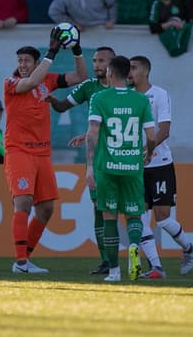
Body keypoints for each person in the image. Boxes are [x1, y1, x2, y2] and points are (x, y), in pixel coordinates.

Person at [4, 24, 88, 273]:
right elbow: (30, 82)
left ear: (36, 61)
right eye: (19, 60)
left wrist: (76, 49)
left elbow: (80, 76)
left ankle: (24, 260)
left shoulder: (48, 81)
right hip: (18, 150)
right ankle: (20, 262)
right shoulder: (11, 83)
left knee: (47, 208)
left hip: (42, 153)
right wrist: (51, 52)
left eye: (27, 60)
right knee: (24, 202)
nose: (22, 64)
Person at [85, 55, 156, 282]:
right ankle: (134, 246)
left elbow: (93, 132)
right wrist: (150, 151)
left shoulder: (99, 97)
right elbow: (152, 136)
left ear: (109, 73)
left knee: (109, 217)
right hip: (132, 167)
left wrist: (89, 166)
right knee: (134, 214)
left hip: (107, 167)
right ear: (128, 75)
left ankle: (114, 272)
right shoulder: (141, 100)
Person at [46, 46, 116, 275]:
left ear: (113, 64)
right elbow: (63, 106)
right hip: (98, 158)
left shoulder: (127, 89)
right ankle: (107, 261)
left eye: (102, 60)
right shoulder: (89, 87)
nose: (96, 65)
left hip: (124, 155)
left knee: (136, 209)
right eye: (94, 60)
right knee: (99, 208)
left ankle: (146, 260)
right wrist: (50, 98)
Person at [127, 55, 193, 277]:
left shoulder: (159, 94)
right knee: (139, 216)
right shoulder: (126, 97)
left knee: (163, 217)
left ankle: (188, 248)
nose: (129, 72)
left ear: (145, 71)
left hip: (160, 164)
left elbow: (164, 130)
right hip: (136, 168)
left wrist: (147, 150)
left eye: (134, 68)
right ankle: (156, 267)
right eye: (128, 68)